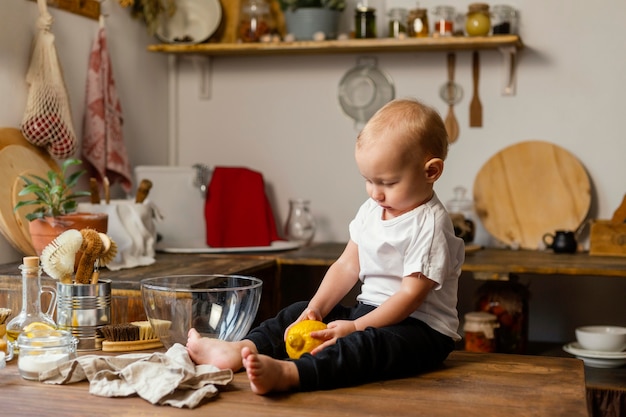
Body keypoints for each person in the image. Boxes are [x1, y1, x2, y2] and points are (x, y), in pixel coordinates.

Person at [187, 98, 465, 395]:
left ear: (431, 171)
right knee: (297, 312)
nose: (375, 193)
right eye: (368, 181)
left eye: (388, 182)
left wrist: (357, 328)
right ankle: (240, 349)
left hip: (419, 330)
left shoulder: (430, 224)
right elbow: (347, 265)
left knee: (364, 346)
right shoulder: (372, 209)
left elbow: (410, 296)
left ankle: (291, 373)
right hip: (368, 312)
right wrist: (316, 308)